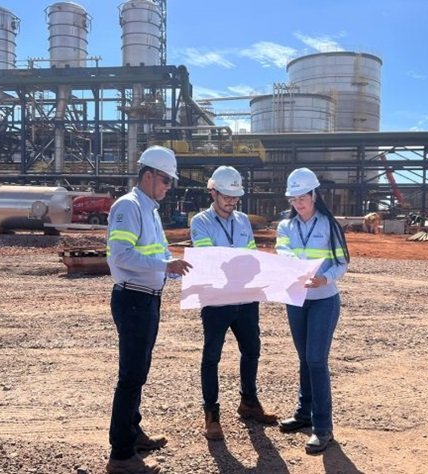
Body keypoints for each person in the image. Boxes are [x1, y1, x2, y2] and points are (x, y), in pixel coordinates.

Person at [106, 145, 193, 474]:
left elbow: (159, 253)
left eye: (170, 181)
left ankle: (133, 432)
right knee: (130, 376)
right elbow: (121, 255)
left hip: (148, 299)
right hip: (132, 299)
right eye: (166, 180)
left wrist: (177, 264)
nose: (169, 186)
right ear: (148, 176)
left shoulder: (150, 210)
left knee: (140, 371)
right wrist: (165, 265)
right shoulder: (128, 207)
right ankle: (121, 454)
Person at [189, 165, 278, 441]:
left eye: (235, 196)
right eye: (226, 195)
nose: (231, 201)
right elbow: (209, 258)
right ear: (213, 192)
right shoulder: (200, 222)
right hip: (216, 300)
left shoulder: (242, 222)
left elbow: (250, 256)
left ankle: (248, 402)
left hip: (245, 297)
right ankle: (211, 414)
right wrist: (239, 264)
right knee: (212, 356)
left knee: (252, 350)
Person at [275, 167, 350, 454]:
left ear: (314, 195)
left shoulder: (329, 226)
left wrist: (324, 279)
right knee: (304, 359)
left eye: (302, 198)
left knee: (316, 360)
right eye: (293, 199)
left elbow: (342, 263)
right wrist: (295, 266)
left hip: (323, 299)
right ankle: (303, 414)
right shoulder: (286, 226)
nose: (298, 204)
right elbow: (282, 252)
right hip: (296, 300)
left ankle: (323, 428)